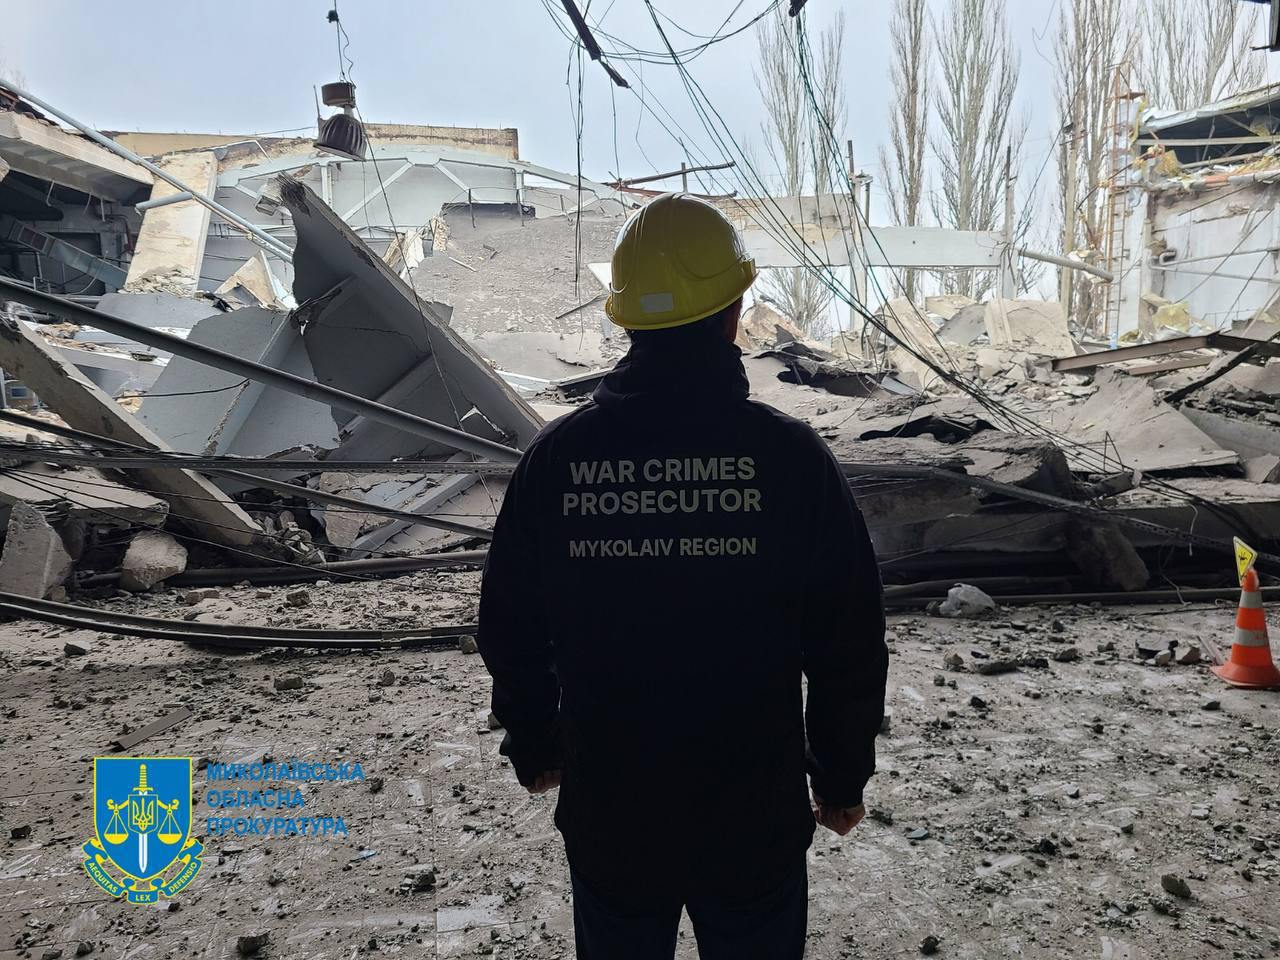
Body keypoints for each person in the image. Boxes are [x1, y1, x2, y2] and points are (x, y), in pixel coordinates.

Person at [478, 192, 887, 960]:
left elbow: (510, 624)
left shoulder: (558, 461)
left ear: (627, 321)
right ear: (733, 313)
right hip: (752, 819)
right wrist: (840, 777)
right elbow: (848, 637)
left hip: (613, 817)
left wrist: (535, 743)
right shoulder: (791, 461)